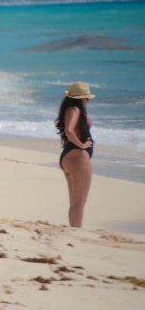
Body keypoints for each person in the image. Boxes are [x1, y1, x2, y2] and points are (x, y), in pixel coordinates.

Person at [55, 82, 95, 228]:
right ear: (81, 98)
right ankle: (77, 232)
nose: (88, 101)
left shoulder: (73, 109)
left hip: (72, 157)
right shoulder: (74, 110)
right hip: (77, 158)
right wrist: (82, 145)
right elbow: (69, 130)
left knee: (75, 203)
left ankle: (74, 230)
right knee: (79, 203)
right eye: (87, 97)